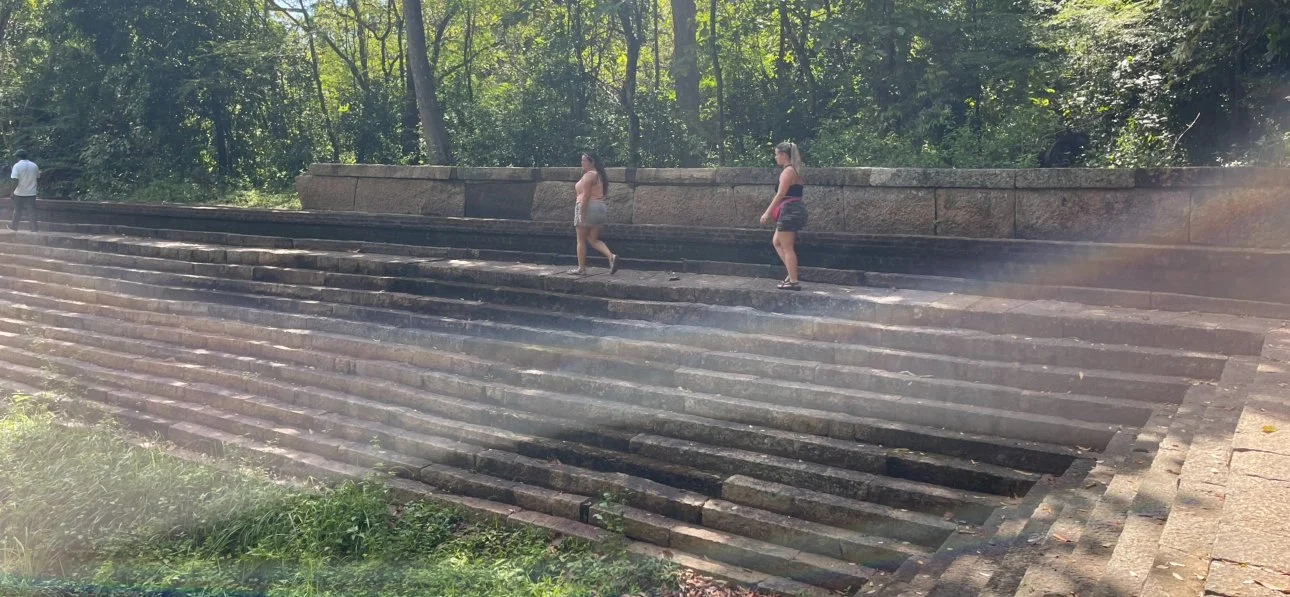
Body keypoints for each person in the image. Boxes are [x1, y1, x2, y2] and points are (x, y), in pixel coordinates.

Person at [760, 141, 807, 290]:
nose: (775, 158)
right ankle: (791, 274)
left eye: (776, 154)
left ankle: (793, 281)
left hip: (789, 210)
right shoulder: (795, 170)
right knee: (777, 242)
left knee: (787, 246)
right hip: (794, 209)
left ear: (783, 155)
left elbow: (781, 194)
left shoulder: (788, 171)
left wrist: (767, 213)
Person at [569, 152, 619, 275]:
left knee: (580, 239)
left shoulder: (588, 176)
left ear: (592, 162)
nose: (582, 163)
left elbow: (585, 196)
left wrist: (581, 213)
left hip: (588, 206)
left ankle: (581, 268)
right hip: (600, 208)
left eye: (584, 161)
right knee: (593, 239)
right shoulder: (599, 176)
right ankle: (611, 256)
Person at [8, 149, 38, 232]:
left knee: (17, 210)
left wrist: (12, 192)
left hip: (19, 192)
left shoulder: (17, 166)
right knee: (32, 210)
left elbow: (15, 180)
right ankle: (34, 228)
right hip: (31, 192)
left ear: (18, 157)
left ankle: (14, 227)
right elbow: (38, 177)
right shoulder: (34, 165)